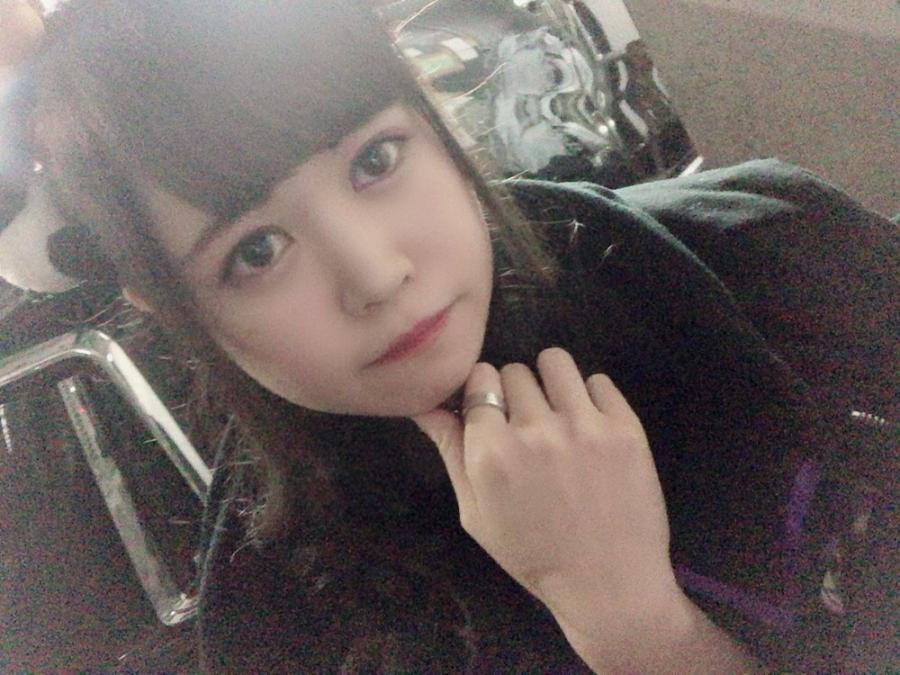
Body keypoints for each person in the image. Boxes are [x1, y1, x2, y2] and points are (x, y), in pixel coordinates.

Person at [21, 0, 896, 671]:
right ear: (164, 305)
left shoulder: (777, 252)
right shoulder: (281, 626)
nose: (375, 273)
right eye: (256, 251)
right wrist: (635, 628)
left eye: (376, 159)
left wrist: (641, 626)